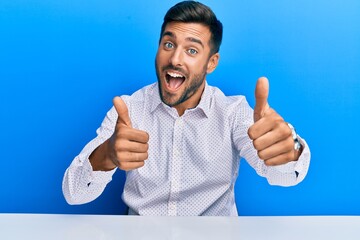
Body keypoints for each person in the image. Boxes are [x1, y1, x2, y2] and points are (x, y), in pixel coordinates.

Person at [62, 1, 310, 216]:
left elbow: (284, 176)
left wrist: (291, 147)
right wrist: (107, 155)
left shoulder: (233, 112)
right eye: (168, 45)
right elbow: (74, 194)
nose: (175, 59)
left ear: (211, 63)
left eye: (192, 50)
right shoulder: (128, 109)